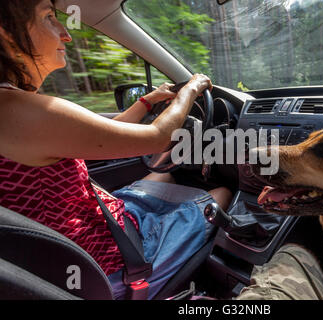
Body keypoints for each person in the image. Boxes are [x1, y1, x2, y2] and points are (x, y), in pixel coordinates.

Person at [0, 0, 232, 299]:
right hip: (111, 260)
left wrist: (146, 103)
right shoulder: (19, 111)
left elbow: (101, 136)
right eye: (48, 17)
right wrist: (189, 89)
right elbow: (159, 137)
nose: (66, 33)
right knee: (222, 194)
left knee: (164, 175)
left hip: (97, 226)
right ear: (6, 32)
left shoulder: (16, 110)